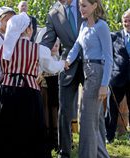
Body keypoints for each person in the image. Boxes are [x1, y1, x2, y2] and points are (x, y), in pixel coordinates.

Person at [0, 12, 65, 158]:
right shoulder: (38, 49)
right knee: (30, 131)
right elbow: (51, 67)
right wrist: (64, 63)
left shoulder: (1, 50)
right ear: (27, 30)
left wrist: (9, 77)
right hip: (30, 94)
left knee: (4, 130)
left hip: (6, 93)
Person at [65, 0, 113, 157]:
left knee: (86, 120)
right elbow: (76, 47)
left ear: (94, 6)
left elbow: (108, 58)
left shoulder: (102, 27)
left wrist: (104, 85)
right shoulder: (84, 25)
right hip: (87, 73)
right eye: (80, 5)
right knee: (95, 122)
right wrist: (67, 61)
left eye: (84, 5)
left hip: (97, 74)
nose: (81, 9)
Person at [41, 0, 84, 157]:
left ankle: (93, 148)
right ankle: (64, 151)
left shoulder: (87, 3)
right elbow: (47, 41)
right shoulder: (53, 14)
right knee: (64, 110)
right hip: (67, 65)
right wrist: (33, 52)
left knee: (92, 110)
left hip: (90, 63)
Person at [105, 9, 130, 143]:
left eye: (129, 20)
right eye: (125, 20)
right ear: (122, 22)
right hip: (116, 78)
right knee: (111, 109)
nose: (127, 23)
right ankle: (109, 136)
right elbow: (107, 55)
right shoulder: (114, 36)